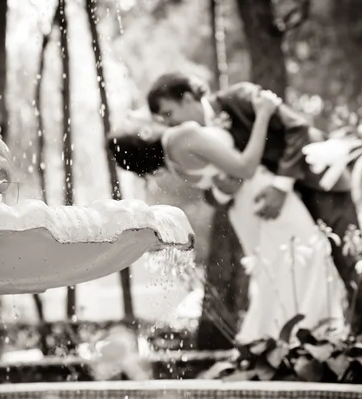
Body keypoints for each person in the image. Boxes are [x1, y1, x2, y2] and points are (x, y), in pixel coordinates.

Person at [108, 89, 348, 343]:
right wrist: (264, 115)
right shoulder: (181, 136)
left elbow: (219, 187)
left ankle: (279, 341)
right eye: (133, 121)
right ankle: (309, 339)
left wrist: (224, 191)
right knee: (304, 261)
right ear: (142, 133)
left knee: (276, 272)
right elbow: (245, 167)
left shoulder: (173, 163)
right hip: (263, 195)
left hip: (243, 209)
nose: (144, 116)